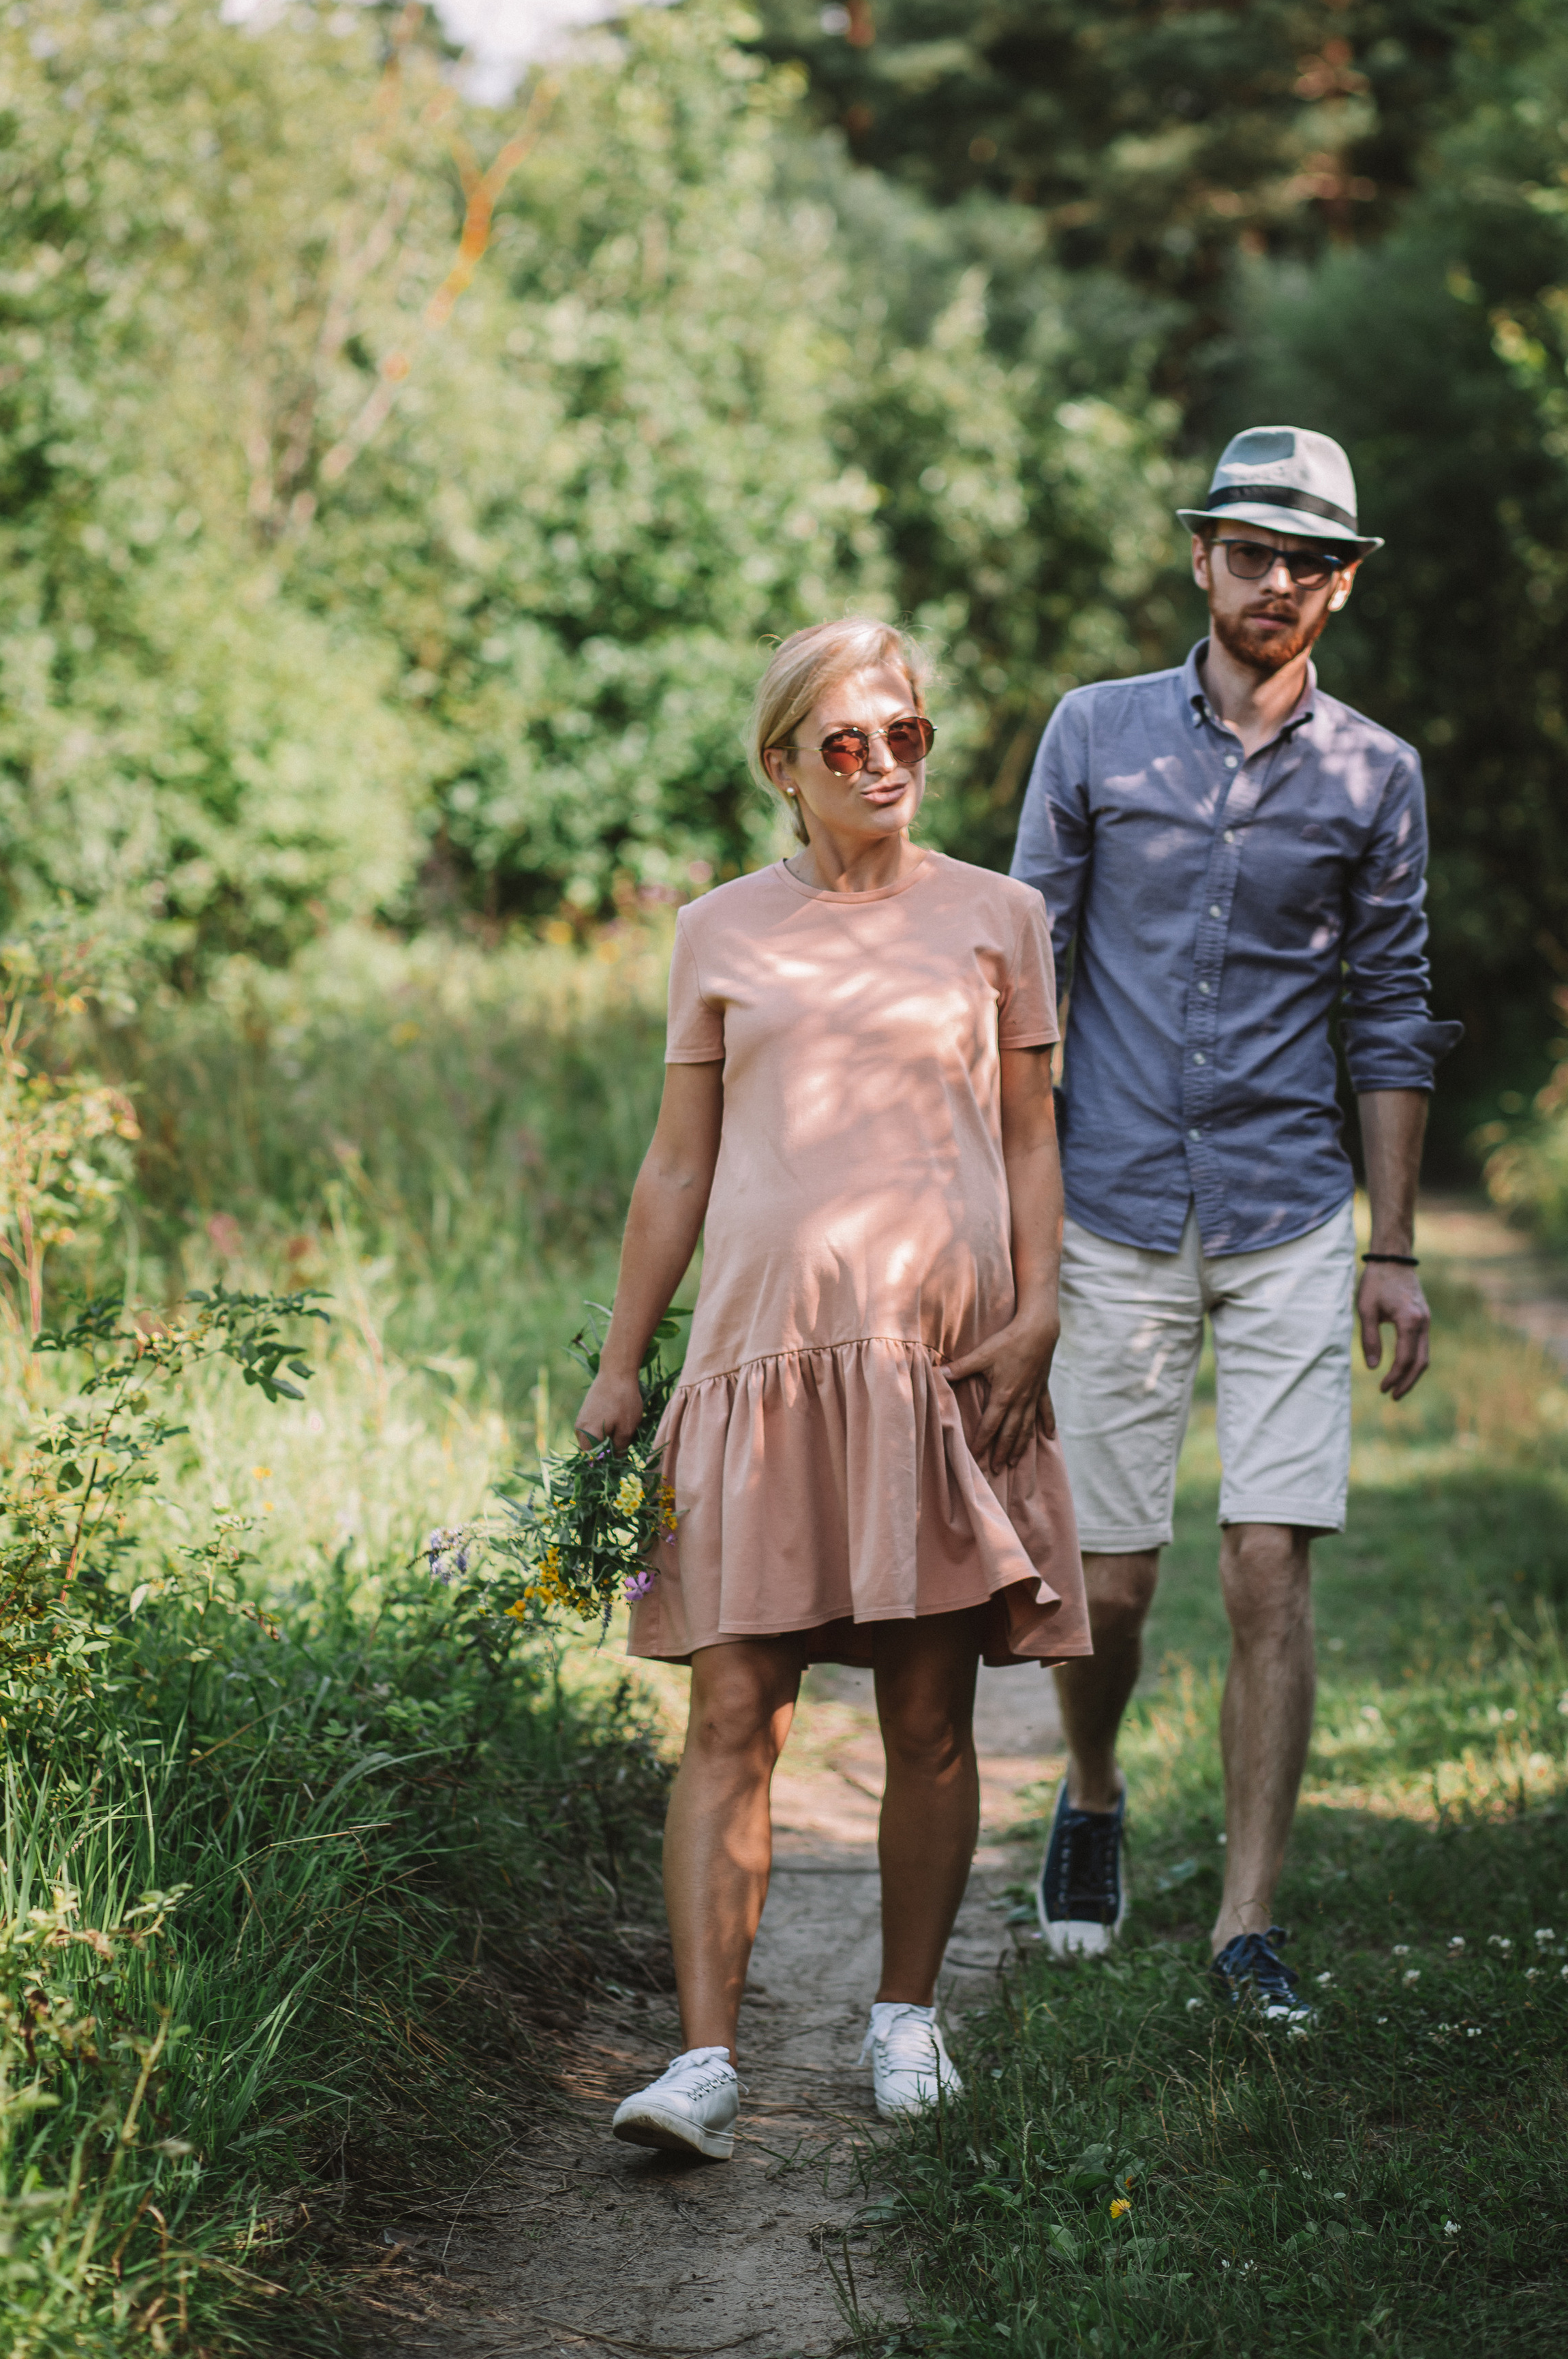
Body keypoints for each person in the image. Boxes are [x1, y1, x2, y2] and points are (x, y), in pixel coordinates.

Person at [575, 616, 1091, 2163]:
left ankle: (904, 2019)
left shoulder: (998, 916)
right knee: (734, 1707)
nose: (883, 766)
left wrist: (1041, 1309)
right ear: (783, 768)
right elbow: (678, 1163)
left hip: (935, 1368)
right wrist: (619, 1368)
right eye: (847, 744)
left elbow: (1025, 1141)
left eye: (906, 736)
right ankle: (704, 2062)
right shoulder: (717, 931)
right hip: (751, 1365)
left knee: (930, 1714)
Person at [1011, 425, 1461, 2021]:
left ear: (1337, 588)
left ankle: (1245, 1928)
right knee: (1109, 1588)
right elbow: (1024, 984)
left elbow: (1389, 1008)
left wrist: (1389, 1248)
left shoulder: (1375, 774)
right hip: (1113, 1205)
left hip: (1284, 1211)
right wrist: (1004, 1214)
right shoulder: (1090, 735)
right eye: (1249, 552)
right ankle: (1093, 1789)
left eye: (1307, 562)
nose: (1275, 583)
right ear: (1199, 557)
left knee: (1268, 1566)